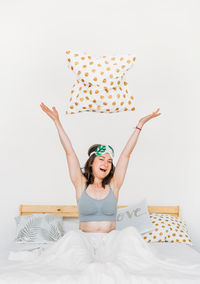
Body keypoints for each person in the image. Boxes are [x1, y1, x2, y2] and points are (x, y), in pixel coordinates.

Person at [39, 102, 162, 264]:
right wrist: (57, 122)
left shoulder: (115, 184)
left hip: (111, 241)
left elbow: (126, 155)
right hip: (84, 241)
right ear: (91, 163)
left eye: (110, 161)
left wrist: (140, 124)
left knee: (130, 233)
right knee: (72, 238)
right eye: (101, 159)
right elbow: (69, 152)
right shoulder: (80, 183)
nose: (106, 163)